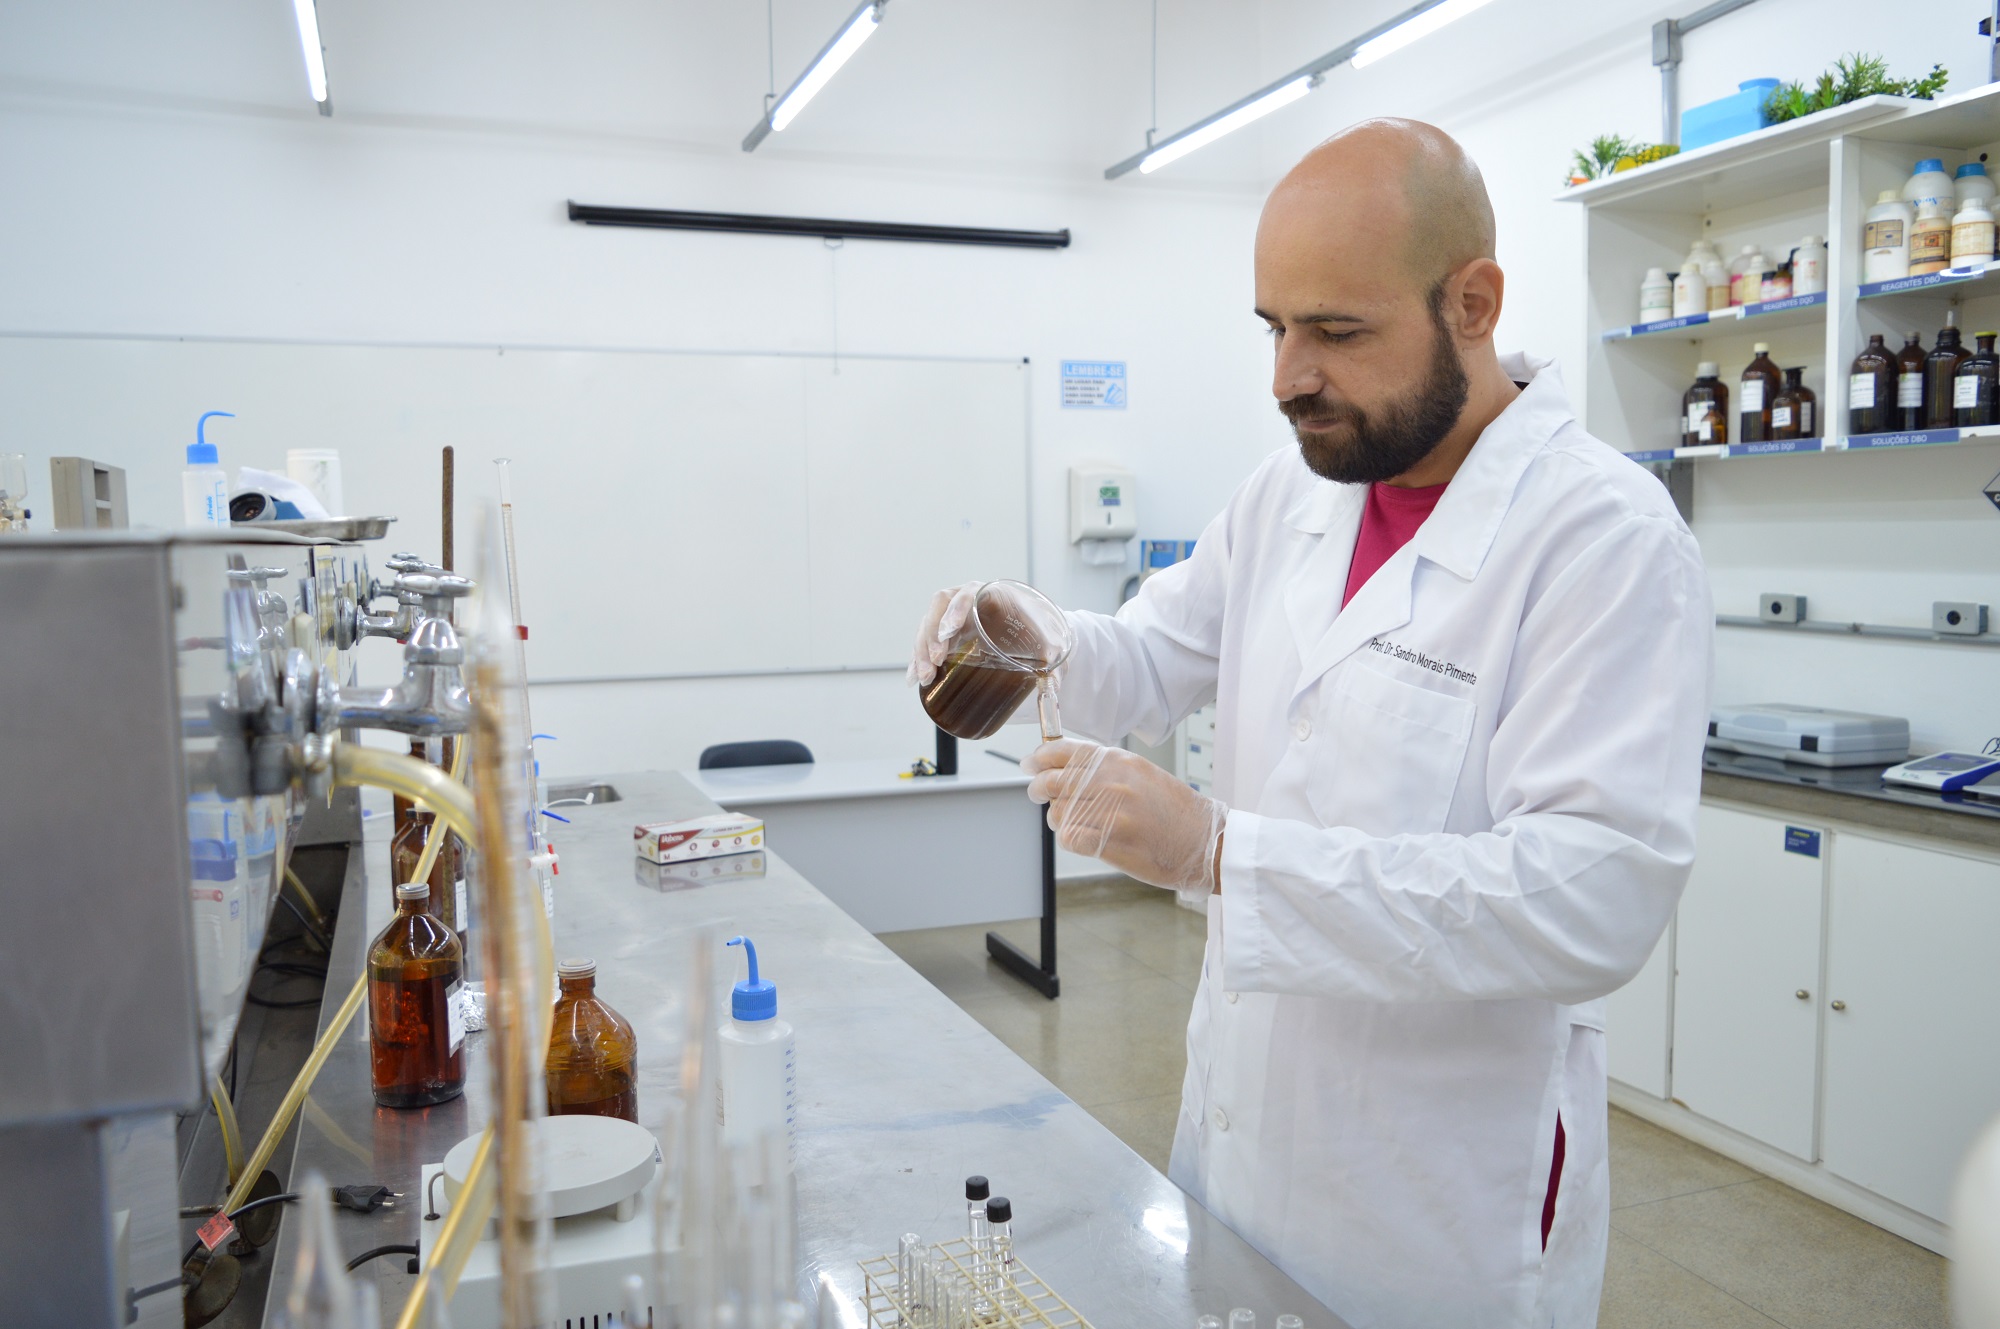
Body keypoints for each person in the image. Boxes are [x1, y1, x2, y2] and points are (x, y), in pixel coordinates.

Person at [908, 119, 1711, 1328]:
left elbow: (1587, 897)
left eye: (1335, 331)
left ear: (1474, 302)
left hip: (1437, 1201)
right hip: (1240, 1137)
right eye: (1273, 327)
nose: (1287, 375)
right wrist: (1032, 632)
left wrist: (1224, 854)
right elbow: (1147, 654)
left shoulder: (1601, 538)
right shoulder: (1291, 491)